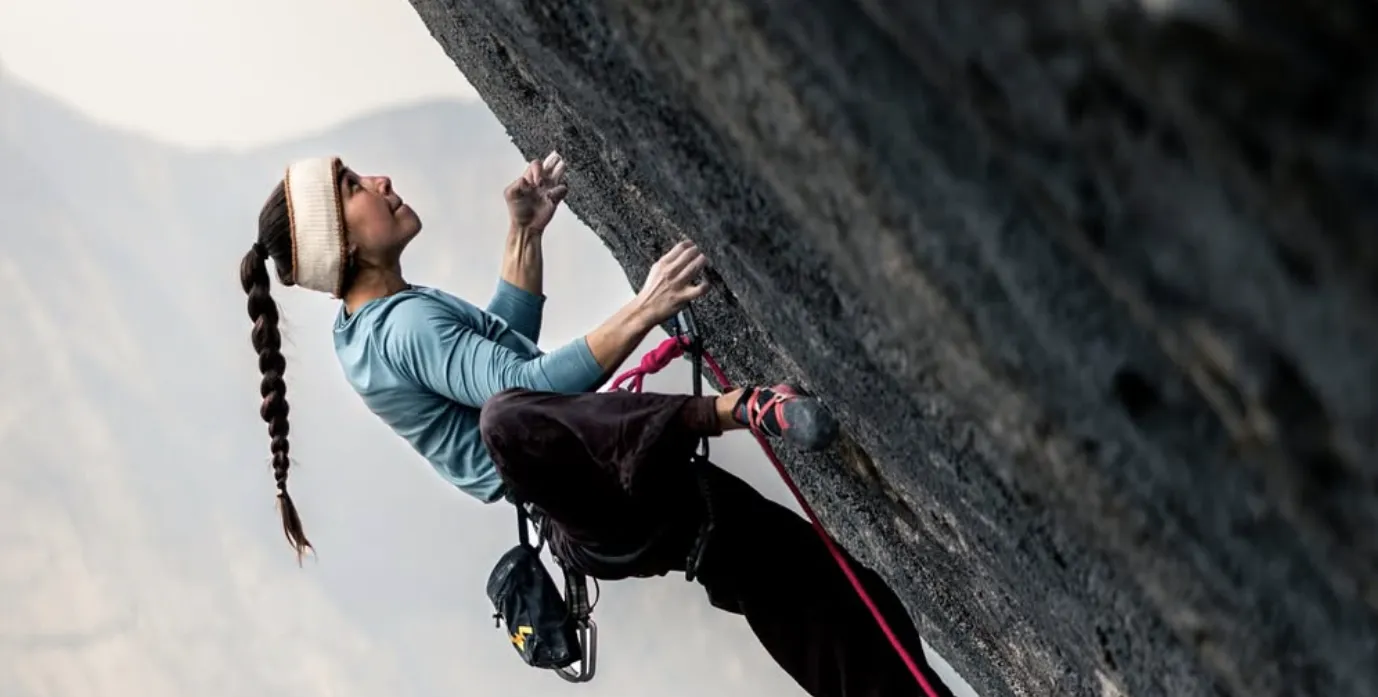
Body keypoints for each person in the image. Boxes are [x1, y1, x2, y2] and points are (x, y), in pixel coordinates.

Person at [238, 152, 957, 697]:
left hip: (609, 493)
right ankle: (738, 410)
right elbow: (519, 389)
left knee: (826, 596)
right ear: (346, 242)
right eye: (357, 186)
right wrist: (643, 310)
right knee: (508, 418)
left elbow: (501, 352)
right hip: (596, 493)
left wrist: (523, 237)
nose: (383, 182)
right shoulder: (403, 329)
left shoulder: (365, 327)